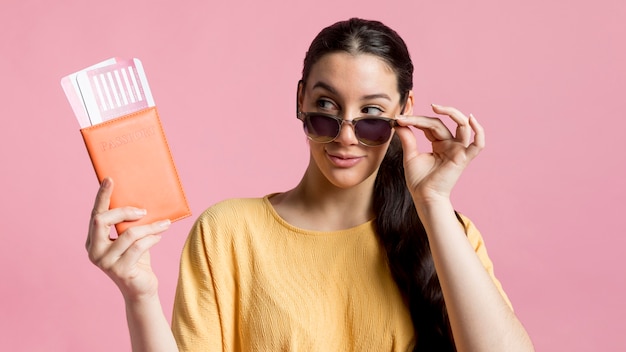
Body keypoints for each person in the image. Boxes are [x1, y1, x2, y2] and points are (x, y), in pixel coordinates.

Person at [86, 18, 534, 352]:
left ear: (405, 109)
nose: (344, 135)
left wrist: (432, 202)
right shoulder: (228, 233)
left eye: (372, 115)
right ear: (300, 98)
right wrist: (139, 295)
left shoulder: (446, 234)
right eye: (325, 106)